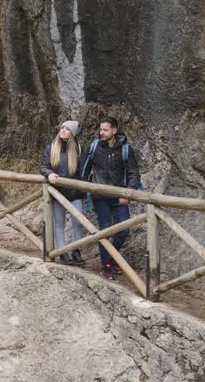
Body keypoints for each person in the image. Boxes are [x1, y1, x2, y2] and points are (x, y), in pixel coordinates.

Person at [80, 117, 142, 279]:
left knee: (124, 230)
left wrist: (128, 193)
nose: (101, 132)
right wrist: (85, 189)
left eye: (105, 130)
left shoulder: (125, 149)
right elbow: (84, 169)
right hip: (100, 196)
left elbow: (133, 173)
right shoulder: (94, 147)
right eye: (100, 129)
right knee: (105, 230)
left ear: (114, 130)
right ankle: (106, 265)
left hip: (119, 196)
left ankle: (112, 259)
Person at [40, 120, 85, 265]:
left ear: (72, 133)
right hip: (58, 192)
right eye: (62, 128)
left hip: (75, 192)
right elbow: (44, 166)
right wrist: (49, 173)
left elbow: (83, 170)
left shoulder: (78, 148)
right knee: (59, 223)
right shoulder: (52, 147)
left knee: (78, 222)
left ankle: (76, 251)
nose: (63, 130)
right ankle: (62, 252)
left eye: (67, 129)